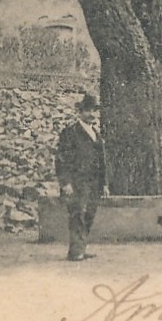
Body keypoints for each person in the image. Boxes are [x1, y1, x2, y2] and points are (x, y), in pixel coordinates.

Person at [55, 92, 106, 261]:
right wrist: (65, 183)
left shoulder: (96, 134)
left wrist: (104, 183)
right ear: (80, 112)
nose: (91, 114)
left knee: (89, 214)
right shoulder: (70, 133)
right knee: (77, 214)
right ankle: (76, 251)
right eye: (88, 111)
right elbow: (61, 159)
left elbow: (102, 161)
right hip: (77, 182)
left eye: (94, 111)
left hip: (94, 183)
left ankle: (81, 248)